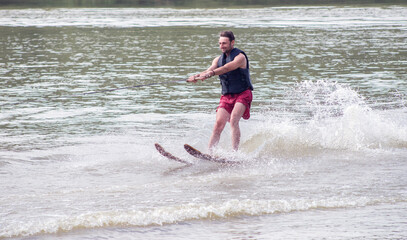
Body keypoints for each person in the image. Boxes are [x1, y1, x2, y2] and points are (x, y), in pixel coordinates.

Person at [187, 30, 253, 151]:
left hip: (243, 94)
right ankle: (210, 153)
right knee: (218, 124)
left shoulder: (240, 57)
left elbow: (227, 68)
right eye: (220, 43)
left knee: (233, 120)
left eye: (224, 43)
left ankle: (235, 153)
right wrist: (196, 76)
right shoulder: (217, 59)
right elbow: (209, 70)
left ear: (232, 42)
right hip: (227, 96)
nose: (221, 46)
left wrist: (211, 73)